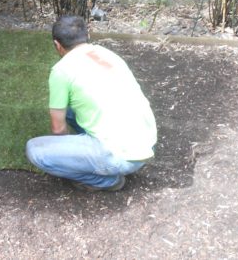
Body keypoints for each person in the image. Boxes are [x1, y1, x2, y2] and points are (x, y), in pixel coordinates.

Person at [26, 15, 157, 191]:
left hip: (120, 157)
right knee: (72, 110)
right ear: (88, 36)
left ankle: (107, 181)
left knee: (35, 150)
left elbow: (58, 129)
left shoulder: (61, 70)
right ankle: (104, 159)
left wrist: (66, 156)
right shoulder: (108, 54)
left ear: (57, 45)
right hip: (145, 145)